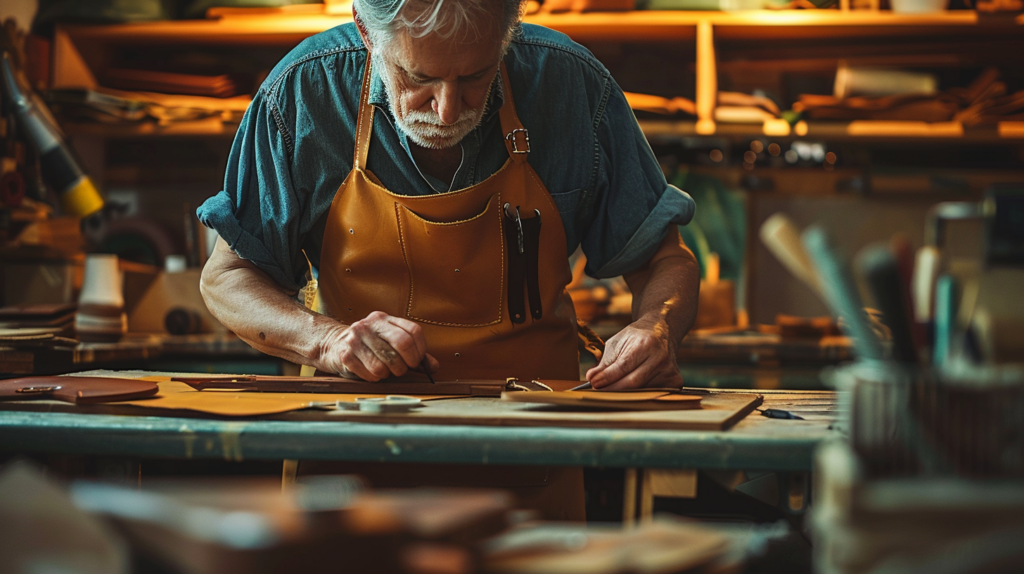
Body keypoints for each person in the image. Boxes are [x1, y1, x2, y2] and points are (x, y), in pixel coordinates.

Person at [198, 0, 699, 392]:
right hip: (353, 441)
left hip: (538, 437)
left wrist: (657, 327)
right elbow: (228, 280)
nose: (445, 110)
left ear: (507, 35)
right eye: (418, 77)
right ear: (366, 31)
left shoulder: (570, 87)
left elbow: (665, 260)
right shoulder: (304, 94)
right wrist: (326, 341)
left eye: (475, 77)